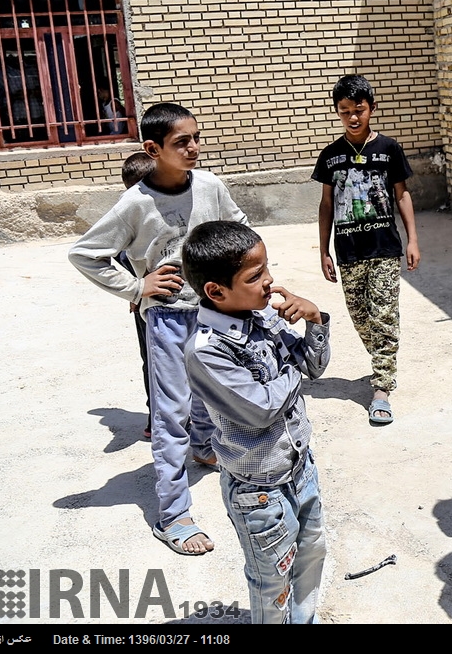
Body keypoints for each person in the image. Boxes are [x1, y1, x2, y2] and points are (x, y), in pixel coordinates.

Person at [69, 103, 249, 556]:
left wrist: (250, 282)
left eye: (195, 137)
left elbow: (239, 228)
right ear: (153, 149)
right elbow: (85, 254)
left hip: (214, 309)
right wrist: (136, 286)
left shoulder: (210, 185)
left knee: (215, 390)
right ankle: (173, 514)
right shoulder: (135, 204)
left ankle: (206, 448)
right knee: (172, 414)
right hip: (168, 317)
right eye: (180, 142)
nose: (193, 147)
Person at [182, 221, 331, 624]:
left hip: (300, 468)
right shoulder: (207, 351)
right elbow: (262, 409)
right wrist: (294, 367)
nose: (269, 283)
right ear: (215, 291)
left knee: (310, 554)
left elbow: (313, 365)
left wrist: (316, 321)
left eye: (267, 270)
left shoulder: (262, 315)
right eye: (255, 276)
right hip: (258, 490)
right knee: (272, 579)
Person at [312, 75, 420, 426]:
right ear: (338, 113)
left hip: (384, 247)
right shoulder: (330, 156)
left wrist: (413, 239)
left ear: (371, 109)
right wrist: (324, 250)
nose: (353, 118)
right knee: (361, 317)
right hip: (348, 251)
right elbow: (326, 204)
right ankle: (382, 361)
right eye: (345, 112)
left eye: (359, 110)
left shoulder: (388, 149)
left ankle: (381, 389)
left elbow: (401, 194)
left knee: (384, 315)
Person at [118, 151, 156, 440]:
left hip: (179, 301)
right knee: (157, 361)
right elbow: (116, 257)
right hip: (149, 305)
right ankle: (158, 417)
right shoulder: (128, 214)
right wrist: (136, 287)